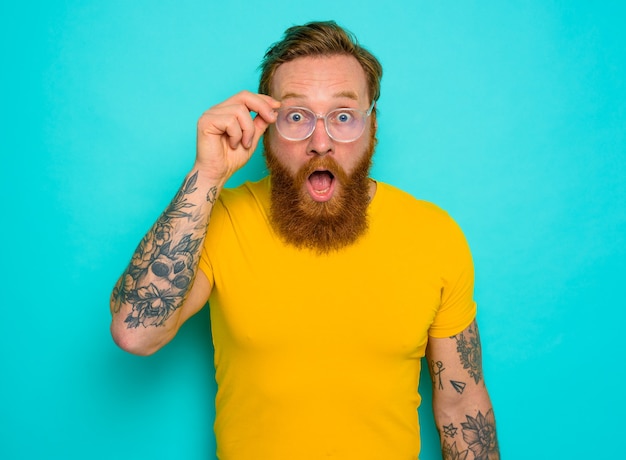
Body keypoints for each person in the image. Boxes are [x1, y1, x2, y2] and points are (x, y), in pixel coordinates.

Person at [110, 20, 499, 460]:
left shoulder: (433, 234)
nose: (320, 142)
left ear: (372, 129)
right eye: (296, 117)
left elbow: (462, 406)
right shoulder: (221, 220)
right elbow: (134, 333)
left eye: (343, 117)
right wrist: (207, 174)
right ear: (266, 129)